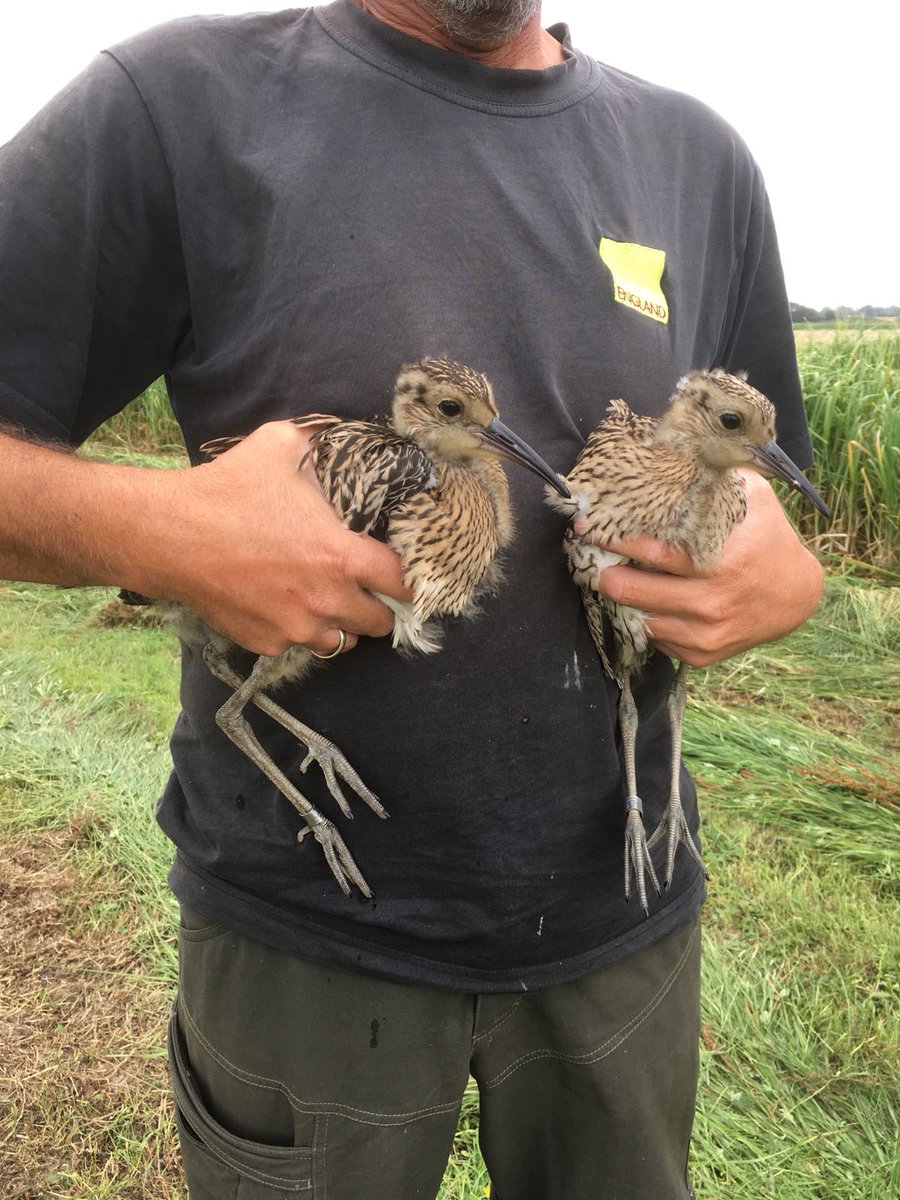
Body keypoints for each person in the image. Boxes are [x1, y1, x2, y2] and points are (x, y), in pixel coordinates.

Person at [0, 1, 824, 1196]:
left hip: (626, 922)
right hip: (306, 937)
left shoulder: (700, 160)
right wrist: (170, 534)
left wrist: (792, 576)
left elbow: (767, 486)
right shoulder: (173, 105)